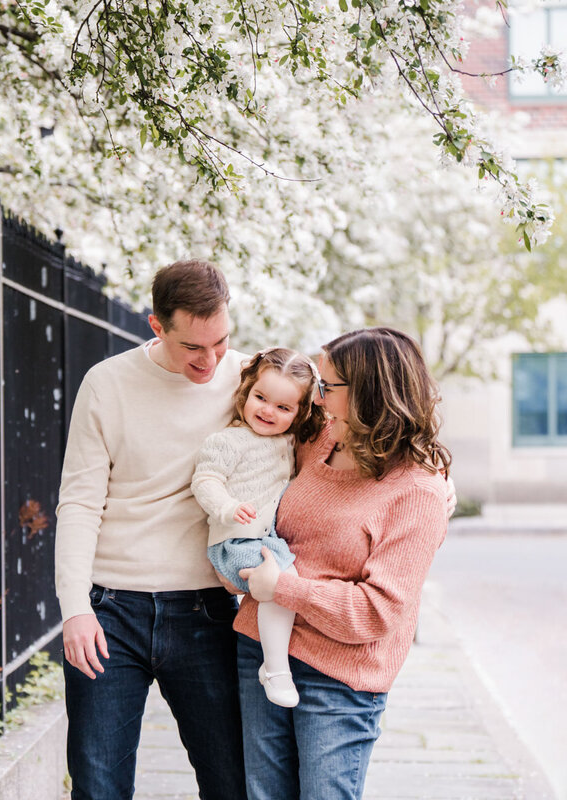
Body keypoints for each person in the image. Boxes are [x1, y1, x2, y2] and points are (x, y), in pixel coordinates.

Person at [56, 258, 248, 800]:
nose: (210, 360)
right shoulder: (108, 384)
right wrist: (75, 608)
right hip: (110, 611)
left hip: (206, 610)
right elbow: (79, 503)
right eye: (193, 347)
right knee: (98, 788)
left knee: (232, 782)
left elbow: (324, 439)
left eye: (222, 341)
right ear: (157, 326)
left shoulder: (249, 379)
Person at [234, 327, 452, 800]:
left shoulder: (416, 491)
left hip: (341, 678)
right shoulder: (319, 437)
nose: (316, 394)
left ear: (370, 395)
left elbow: (379, 612)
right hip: (263, 651)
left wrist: (283, 589)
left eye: (328, 386)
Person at [191, 348, 325, 709]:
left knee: (285, 581)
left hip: (264, 539)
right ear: (247, 392)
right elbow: (205, 480)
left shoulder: (289, 442)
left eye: (283, 408)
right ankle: (276, 668)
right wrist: (228, 507)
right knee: (280, 582)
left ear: (300, 413)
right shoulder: (229, 440)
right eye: (261, 398)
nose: (267, 411)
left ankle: (275, 665)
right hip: (234, 539)